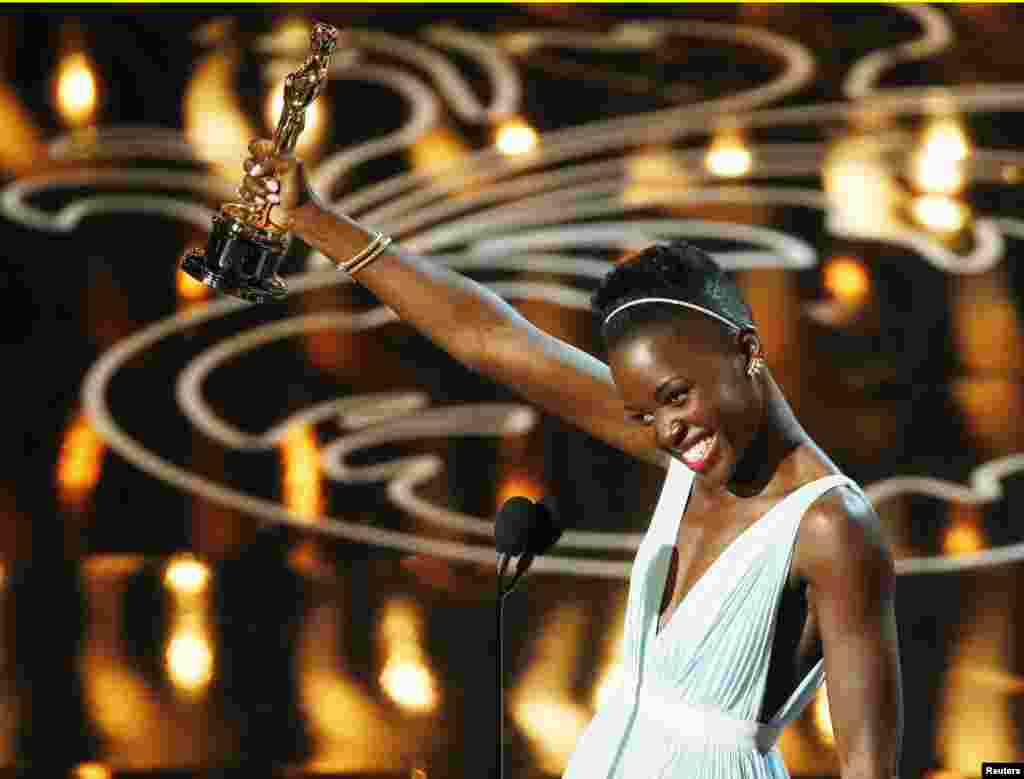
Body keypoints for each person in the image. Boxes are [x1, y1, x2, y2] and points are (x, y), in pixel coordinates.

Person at [239, 140, 904, 779]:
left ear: (748, 351)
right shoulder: (686, 452)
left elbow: (869, 767)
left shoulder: (832, 527)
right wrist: (314, 220)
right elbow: (494, 339)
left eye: (676, 396)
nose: (667, 431)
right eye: (643, 414)